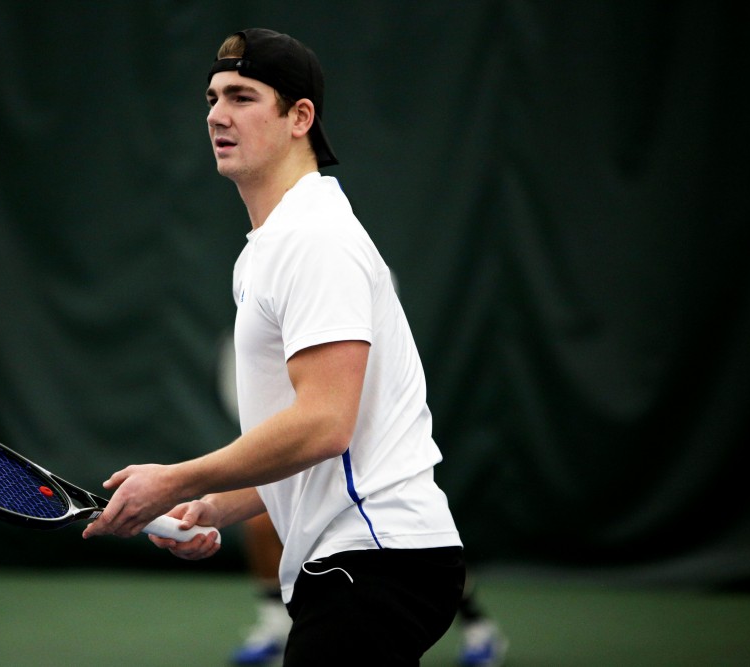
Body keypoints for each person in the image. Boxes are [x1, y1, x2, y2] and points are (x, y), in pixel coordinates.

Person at [82, 27, 465, 665]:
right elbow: (323, 445)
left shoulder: (313, 240)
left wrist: (174, 478)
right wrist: (213, 506)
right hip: (362, 564)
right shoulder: (269, 248)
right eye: (211, 98)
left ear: (299, 117)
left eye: (241, 96)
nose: (216, 115)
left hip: (373, 562)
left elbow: (324, 426)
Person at [229, 513, 508, 666]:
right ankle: (277, 623)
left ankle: (476, 623)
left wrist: (189, 478)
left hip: (365, 457)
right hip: (300, 458)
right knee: (259, 524)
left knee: (416, 536)